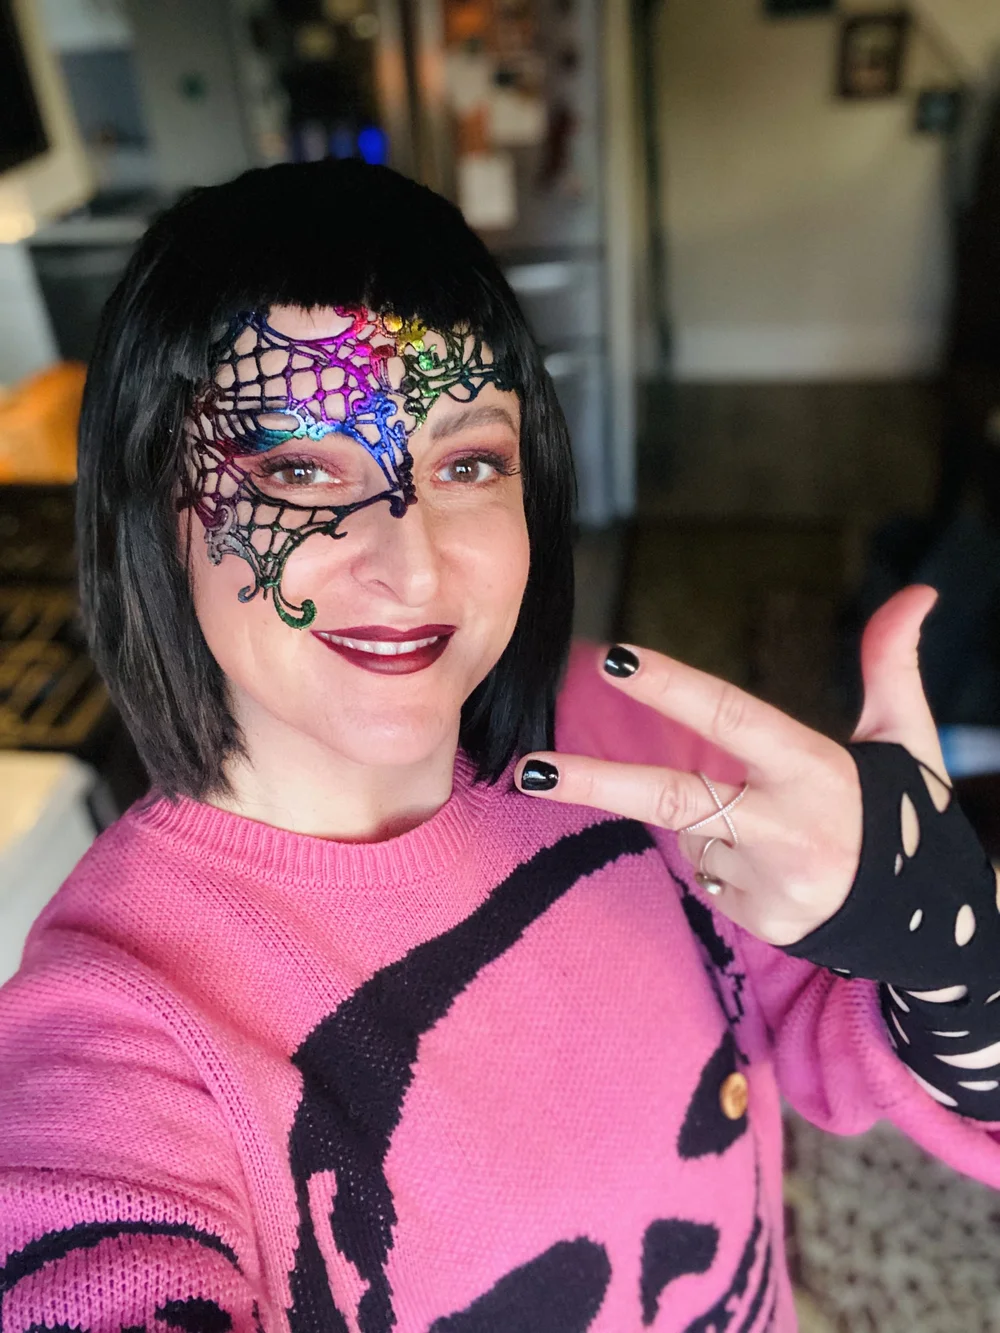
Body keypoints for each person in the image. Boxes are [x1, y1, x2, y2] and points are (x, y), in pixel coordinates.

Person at [1, 159, 999, 1333]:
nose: (412, 566)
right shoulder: (119, 1019)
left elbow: (832, 1035)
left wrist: (950, 956)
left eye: (466, 462)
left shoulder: (621, 739)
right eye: (298, 469)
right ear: (151, 508)